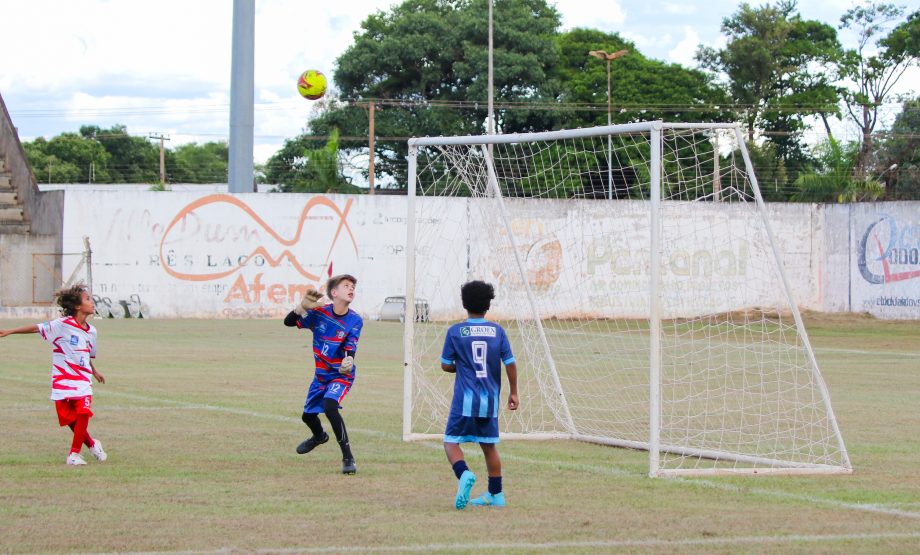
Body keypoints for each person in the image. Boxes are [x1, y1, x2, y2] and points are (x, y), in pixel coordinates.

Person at [0, 284, 107, 466]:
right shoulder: (62, 325)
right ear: (77, 306)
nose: (92, 302)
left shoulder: (92, 332)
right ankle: (91, 443)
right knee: (69, 420)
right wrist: (10, 331)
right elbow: (36, 328)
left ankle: (74, 455)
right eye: (88, 299)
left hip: (82, 380)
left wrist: (94, 371)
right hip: (62, 380)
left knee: (83, 413)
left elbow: (86, 355)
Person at [440, 280, 518, 509]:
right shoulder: (497, 331)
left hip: (465, 400)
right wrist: (514, 393)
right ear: (488, 305)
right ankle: (496, 494)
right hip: (491, 400)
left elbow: (445, 365)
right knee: (489, 445)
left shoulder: (456, 331)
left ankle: (463, 474)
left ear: (464, 304)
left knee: (451, 442)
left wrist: (463, 367)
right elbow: (510, 363)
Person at [284, 274, 363, 475]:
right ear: (334, 293)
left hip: (340, 374)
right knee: (307, 416)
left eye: (353, 286)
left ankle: (348, 457)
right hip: (321, 375)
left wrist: (349, 359)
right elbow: (288, 322)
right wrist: (300, 308)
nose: (351, 288)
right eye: (346, 286)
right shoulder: (320, 313)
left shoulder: (355, 320)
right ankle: (319, 436)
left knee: (330, 406)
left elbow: (350, 345)